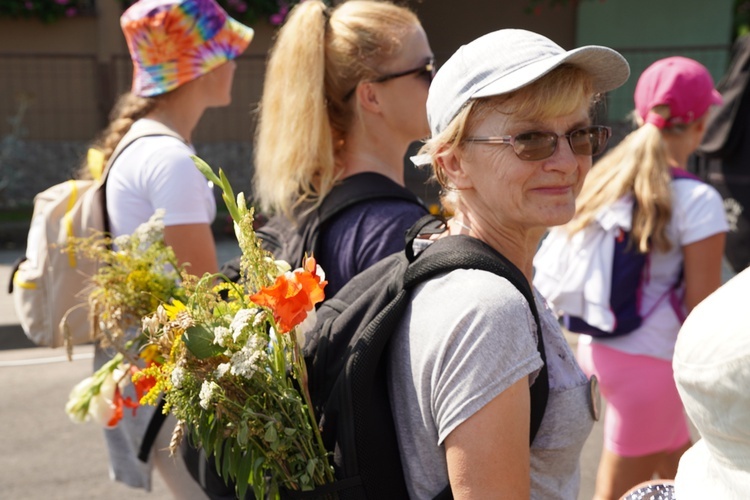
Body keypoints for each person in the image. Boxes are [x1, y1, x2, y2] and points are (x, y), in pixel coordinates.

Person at [386, 29, 630, 498]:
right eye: (531, 139)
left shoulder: (445, 255)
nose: (566, 161)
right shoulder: (488, 310)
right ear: (453, 162)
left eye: (580, 135)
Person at [88, 0, 253, 496]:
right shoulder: (172, 160)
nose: (235, 62)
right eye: (226, 50)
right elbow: (207, 304)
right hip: (174, 389)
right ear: (200, 66)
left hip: (153, 379)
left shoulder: (140, 143)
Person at [565, 57, 728, 499]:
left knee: (682, 468)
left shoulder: (605, 179)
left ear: (640, 113)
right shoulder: (698, 200)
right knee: (617, 490)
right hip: (653, 363)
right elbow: (703, 309)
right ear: (701, 120)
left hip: (601, 349)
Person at [252, 0, 432, 297]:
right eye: (424, 70)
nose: (437, 82)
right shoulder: (397, 228)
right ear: (371, 96)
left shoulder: (302, 208)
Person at [621, 266, 750, 499]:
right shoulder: (700, 226)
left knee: (675, 449)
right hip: (659, 359)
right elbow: (701, 296)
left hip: (614, 349)